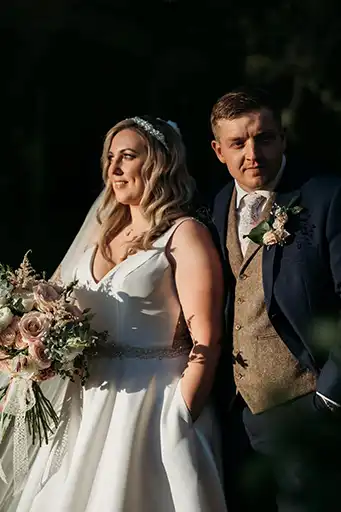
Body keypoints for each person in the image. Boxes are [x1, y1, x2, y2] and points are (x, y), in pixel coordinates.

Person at [2, 116, 227, 511]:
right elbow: (47, 306)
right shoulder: (99, 235)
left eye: (128, 156)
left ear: (159, 163)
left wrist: (181, 412)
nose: (115, 168)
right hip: (85, 404)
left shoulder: (184, 234)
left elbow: (207, 338)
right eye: (110, 157)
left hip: (151, 408)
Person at [210, 87, 341, 512]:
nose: (253, 153)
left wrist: (329, 397)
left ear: (282, 138)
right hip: (236, 414)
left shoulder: (327, 197)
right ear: (218, 151)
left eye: (264, 138)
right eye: (238, 143)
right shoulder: (216, 207)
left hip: (309, 408)